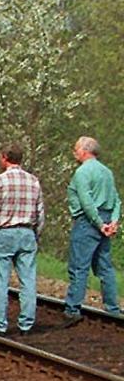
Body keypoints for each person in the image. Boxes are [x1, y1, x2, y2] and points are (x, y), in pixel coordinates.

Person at [0, 143, 44, 335]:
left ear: (5, 158)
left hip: (3, 234)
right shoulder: (33, 182)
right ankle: (26, 324)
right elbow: (40, 214)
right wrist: (36, 236)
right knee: (28, 281)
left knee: (0, 282)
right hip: (27, 232)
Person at [65, 135, 121, 323]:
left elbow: (86, 202)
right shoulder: (107, 172)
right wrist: (113, 222)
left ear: (84, 151)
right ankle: (113, 309)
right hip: (105, 219)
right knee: (105, 267)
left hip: (88, 222)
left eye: (76, 149)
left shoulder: (82, 172)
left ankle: (72, 309)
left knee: (79, 267)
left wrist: (99, 223)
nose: (74, 153)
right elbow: (116, 201)